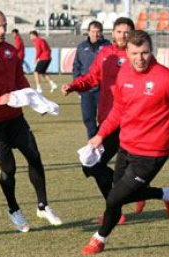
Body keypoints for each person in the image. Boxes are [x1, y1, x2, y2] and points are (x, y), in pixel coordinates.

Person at [81, 30, 169, 255]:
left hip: (152, 154)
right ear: (126, 52)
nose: (140, 58)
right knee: (119, 194)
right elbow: (119, 109)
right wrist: (101, 134)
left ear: (151, 50)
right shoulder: (124, 71)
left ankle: (99, 238)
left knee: (115, 198)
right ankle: (167, 194)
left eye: (144, 52)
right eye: (135, 53)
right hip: (126, 147)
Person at [0, 9, 62, 232]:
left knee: (34, 156)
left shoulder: (9, 51)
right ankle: (13, 208)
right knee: (9, 168)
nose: (2, 30)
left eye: (4, 25)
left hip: (15, 118)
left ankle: (43, 206)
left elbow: (20, 81)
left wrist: (38, 102)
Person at [62, 17, 138, 224]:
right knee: (93, 165)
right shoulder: (105, 53)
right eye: (119, 31)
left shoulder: (137, 56)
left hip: (130, 122)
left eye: (127, 31)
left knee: (96, 164)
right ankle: (133, 194)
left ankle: (118, 209)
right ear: (112, 33)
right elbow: (92, 78)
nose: (123, 35)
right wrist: (74, 85)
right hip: (107, 119)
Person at [72, 21, 111, 139]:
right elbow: (76, 67)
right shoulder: (81, 47)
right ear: (88, 32)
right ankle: (93, 142)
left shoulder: (108, 46)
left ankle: (106, 141)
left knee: (106, 117)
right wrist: (78, 86)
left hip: (103, 89)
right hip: (86, 88)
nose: (96, 34)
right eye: (93, 31)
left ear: (102, 33)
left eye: (98, 31)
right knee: (88, 118)